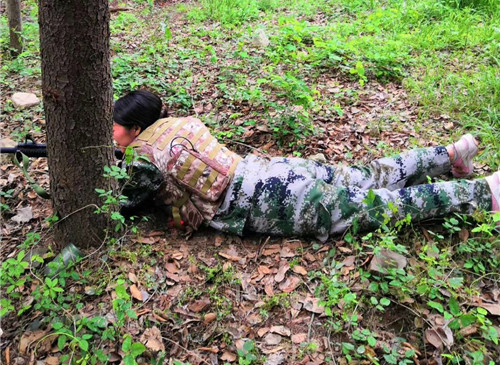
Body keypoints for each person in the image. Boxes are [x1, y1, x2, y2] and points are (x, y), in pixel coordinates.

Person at [113, 90, 499, 240]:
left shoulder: (141, 156)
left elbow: (125, 204)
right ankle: (449, 154)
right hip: (272, 169)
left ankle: (484, 192)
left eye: (115, 127)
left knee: (378, 206)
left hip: (271, 200)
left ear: (134, 127)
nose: (112, 134)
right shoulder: (183, 124)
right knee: (369, 175)